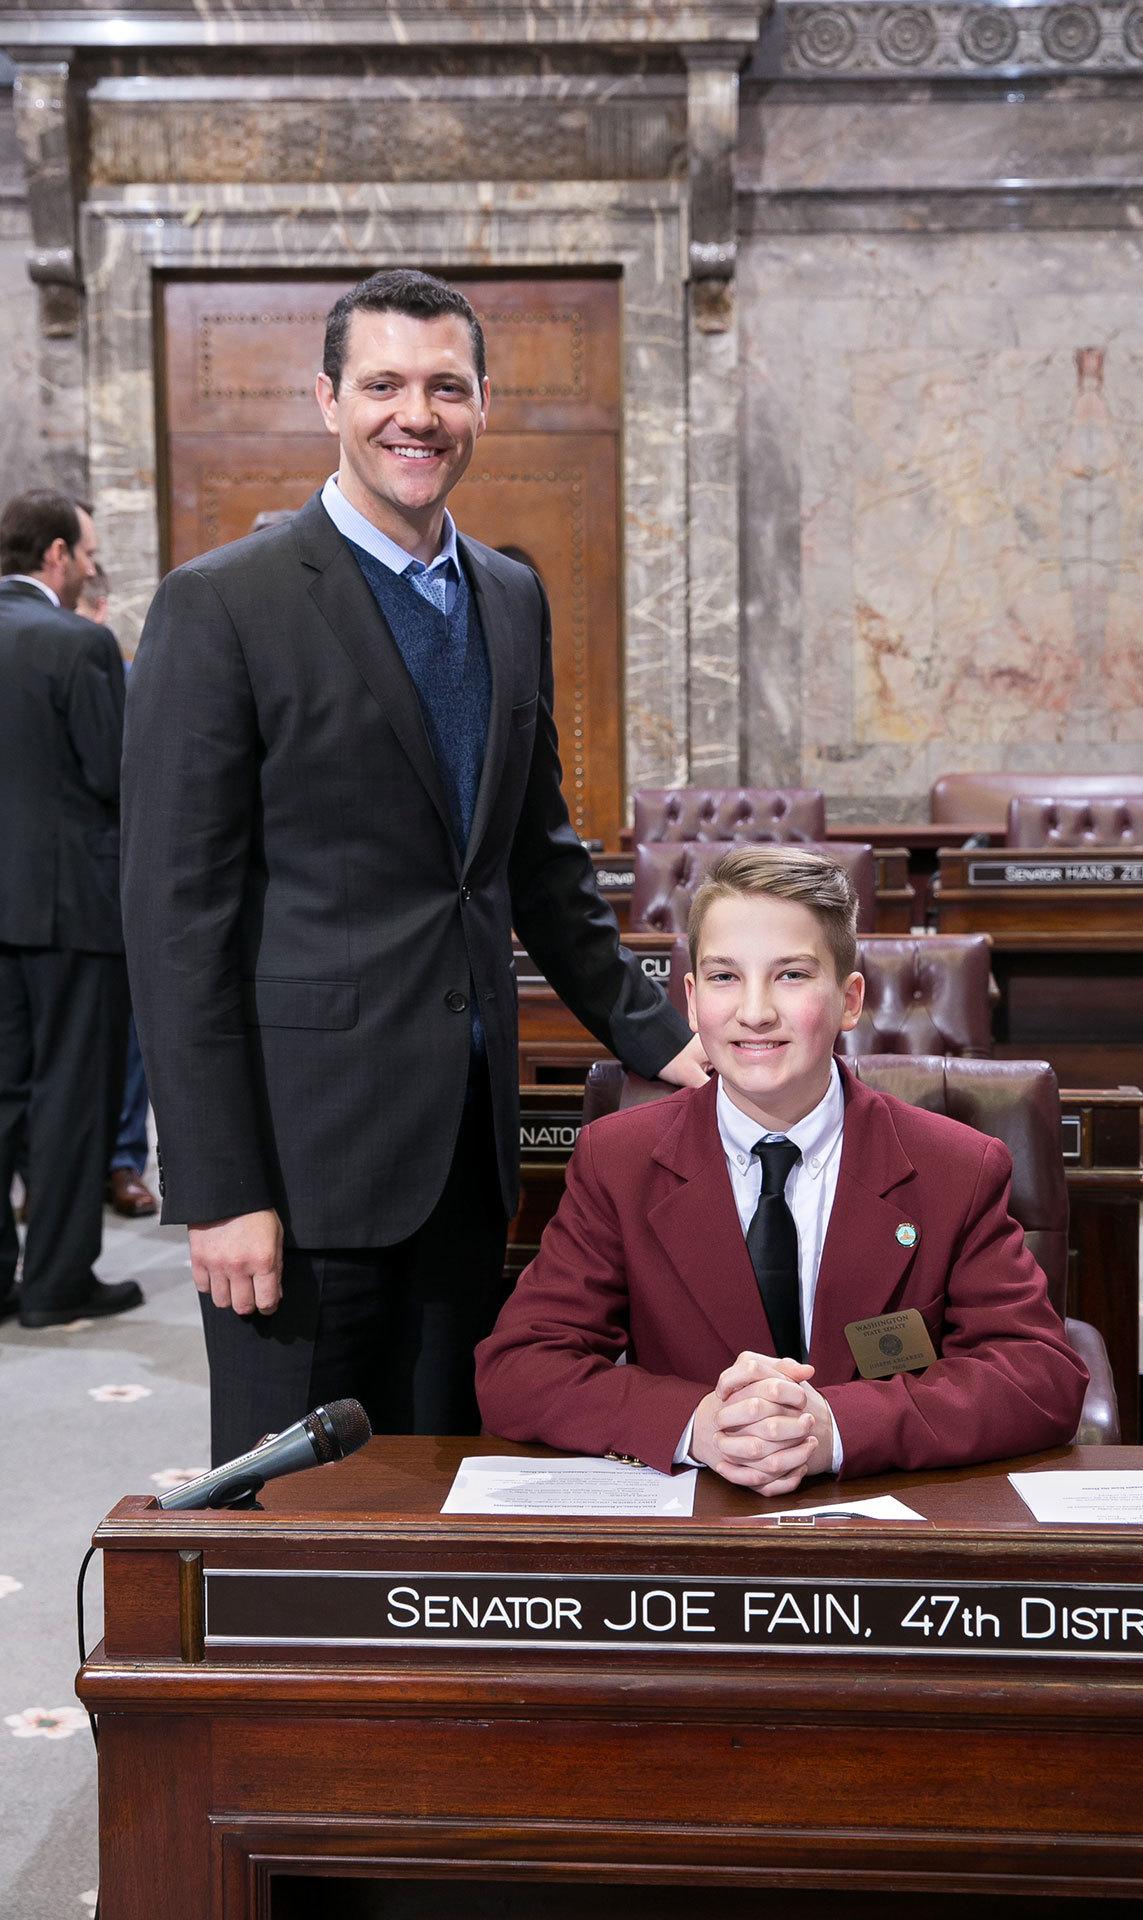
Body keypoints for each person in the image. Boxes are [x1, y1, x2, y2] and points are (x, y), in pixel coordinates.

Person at [121, 269, 702, 1464]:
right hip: (298, 1163)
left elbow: (535, 863)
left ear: (483, 402)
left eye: (444, 386)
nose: (415, 415)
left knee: (445, 1491)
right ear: (327, 398)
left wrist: (661, 1038)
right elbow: (174, 921)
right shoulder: (221, 605)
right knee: (298, 1523)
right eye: (382, 384)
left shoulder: (507, 595)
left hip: (463, 1155)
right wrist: (221, 1186)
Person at [476, 846, 1089, 1492]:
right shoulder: (618, 1161)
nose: (756, 1012)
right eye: (724, 977)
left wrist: (837, 1427)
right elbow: (518, 1369)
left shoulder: (955, 1169)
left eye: (791, 975)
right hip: (697, 1542)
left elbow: (1040, 1374)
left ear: (850, 1000)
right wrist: (698, 1423)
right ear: (690, 1000)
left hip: (878, 1534)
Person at [0, 491, 142, 1326]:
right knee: (70, 1096)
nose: (92, 566)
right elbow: (115, 776)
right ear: (56, 555)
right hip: (69, 912)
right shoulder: (79, 644)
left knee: (3, 1095)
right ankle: (55, 1283)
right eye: (87, 552)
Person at [75, 566, 159, 1220]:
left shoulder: (127, 679)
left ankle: (123, 1160)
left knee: (130, 1036)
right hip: (52, 886)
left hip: (114, 878)